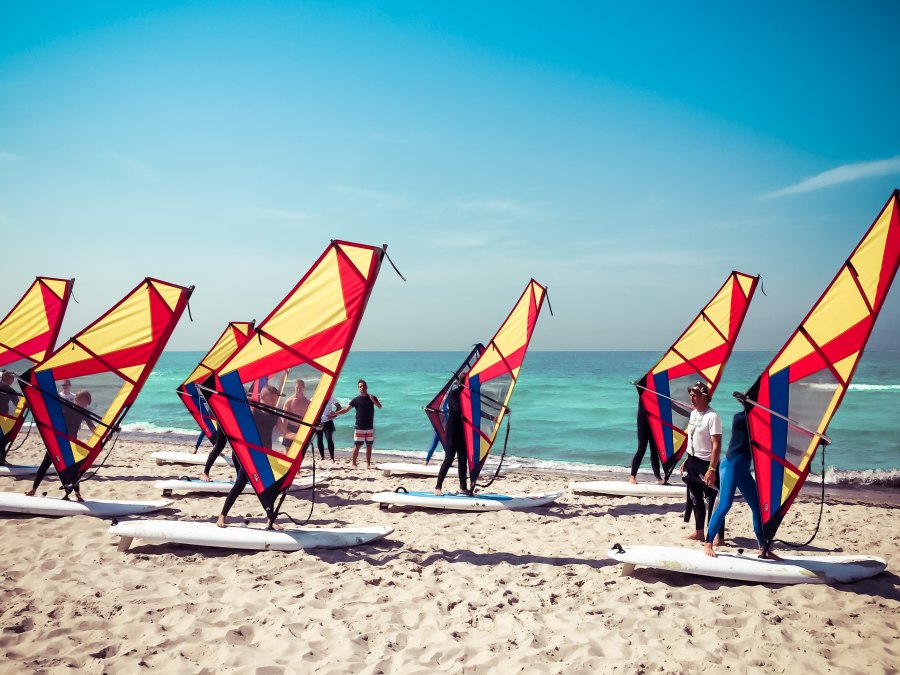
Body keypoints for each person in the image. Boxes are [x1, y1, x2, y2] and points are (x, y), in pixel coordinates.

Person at [703, 410, 774, 558]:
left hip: (743, 470)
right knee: (725, 504)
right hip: (730, 467)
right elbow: (759, 435)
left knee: (758, 507)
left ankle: (763, 548)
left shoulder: (761, 420)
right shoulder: (741, 418)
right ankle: (708, 543)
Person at [216, 385, 285, 528]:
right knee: (240, 483)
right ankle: (222, 516)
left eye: (275, 399)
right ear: (263, 398)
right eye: (271, 399)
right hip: (249, 453)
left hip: (265, 453)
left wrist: (305, 434)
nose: (273, 402)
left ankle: (270, 520)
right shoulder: (254, 412)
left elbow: (286, 432)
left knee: (268, 486)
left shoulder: (275, 415)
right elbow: (238, 427)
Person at [26, 389, 96, 501]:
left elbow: (92, 427)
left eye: (86, 403)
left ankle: (77, 493)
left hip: (71, 444)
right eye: (83, 401)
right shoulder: (66, 406)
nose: (85, 404)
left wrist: (104, 436)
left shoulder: (85, 413)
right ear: (77, 399)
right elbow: (51, 410)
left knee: (74, 469)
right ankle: (33, 489)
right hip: (57, 442)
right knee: (45, 464)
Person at [679, 381, 722, 543]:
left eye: (695, 395)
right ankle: (699, 532)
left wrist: (712, 468)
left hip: (707, 464)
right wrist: (687, 459)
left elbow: (717, 444)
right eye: (691, 395)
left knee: (713, 501)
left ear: (705, 397)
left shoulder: (713, 416)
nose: (692, 398)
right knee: (696, 498)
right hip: (693, 461)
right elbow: (692, 439)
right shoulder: (693, 414)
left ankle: (720, 537)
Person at [333, 379, 381, 468]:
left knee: (369, 446)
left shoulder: (372, 397)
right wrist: (335, 413)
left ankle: (368, 464)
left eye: (363, 386)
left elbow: (380, 406)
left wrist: (373, 400)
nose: (362, 388)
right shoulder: (356, 400)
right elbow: (346, 410)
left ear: (366, 387)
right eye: (360, 387)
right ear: (358, 389)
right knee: (357, 445)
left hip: (369, 427)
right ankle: (354, 463)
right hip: (359, 427)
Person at [434, 377, 470, 496]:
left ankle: (463, 488)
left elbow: (477, 412)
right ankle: (438, 487)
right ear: (462, 384)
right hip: (452, 430)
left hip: (462, 431)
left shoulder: (469, 398)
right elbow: (458, 409)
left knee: (462, 459)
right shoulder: (453, 394)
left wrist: (496, 414)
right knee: (449, 458)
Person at [629, 401, 663, 485]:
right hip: (643, 418)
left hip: (655, 419)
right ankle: (632, 476)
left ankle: (658, 477)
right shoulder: (644, 390)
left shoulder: (657, 389)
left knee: (655, 450)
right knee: (641, 449)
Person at [281, 378, 311, 451]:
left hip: (302, 429)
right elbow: (284, 417)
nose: (298, 390)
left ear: (303, 388)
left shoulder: (308, 402)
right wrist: (284, 431)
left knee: (299, 451)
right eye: (297, 388)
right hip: (290, 428)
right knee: (288, 451)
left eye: (300, 388)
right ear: (294, 387)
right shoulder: (289, 401)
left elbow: (310, 418)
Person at [0, 370, 21, 465]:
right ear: (8, 379)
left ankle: (2, 460)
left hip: (4, 417)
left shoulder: (11, 391)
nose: (13, 381)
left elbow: (18, 404)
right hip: (2, 417)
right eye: (12, 379)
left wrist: (27, 404)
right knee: (2, 439)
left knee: (3, 439)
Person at [315, 395, 341, 461]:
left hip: (328, 421)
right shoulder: (315, 397)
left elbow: (338, 406)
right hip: (318, 422)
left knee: (329, 439)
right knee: (319, 439)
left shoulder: (330, 396)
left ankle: (332, 457)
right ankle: (322, 457)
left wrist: (334, 415)